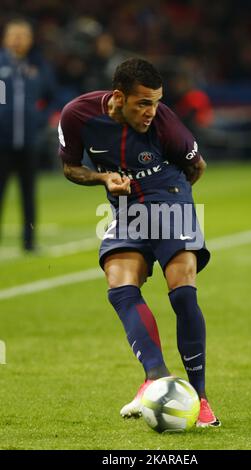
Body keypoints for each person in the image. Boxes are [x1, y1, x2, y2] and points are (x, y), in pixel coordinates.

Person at [58, 58, 220, 427]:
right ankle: (157, 377)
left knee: (182, 291)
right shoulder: (78, 115)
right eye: (143, 103)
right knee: (120, 285)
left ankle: (202, 398)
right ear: (118, 97)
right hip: (127, 207)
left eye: (157, 101)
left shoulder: (166, 125)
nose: (152, 111)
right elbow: (70, 168)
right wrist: (103, 179)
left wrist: (171, 208)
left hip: (170, 196)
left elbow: (198, 167)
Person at [0, 18, 56, 251]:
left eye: (23, 35)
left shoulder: (38, 66)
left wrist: (40, 119)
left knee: (29, 194)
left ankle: (29, 241)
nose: (18, 39)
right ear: (5, 38)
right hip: (1, 142)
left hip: (29, 142)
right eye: (14, 34)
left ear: (30, 40)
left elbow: (53, 95)